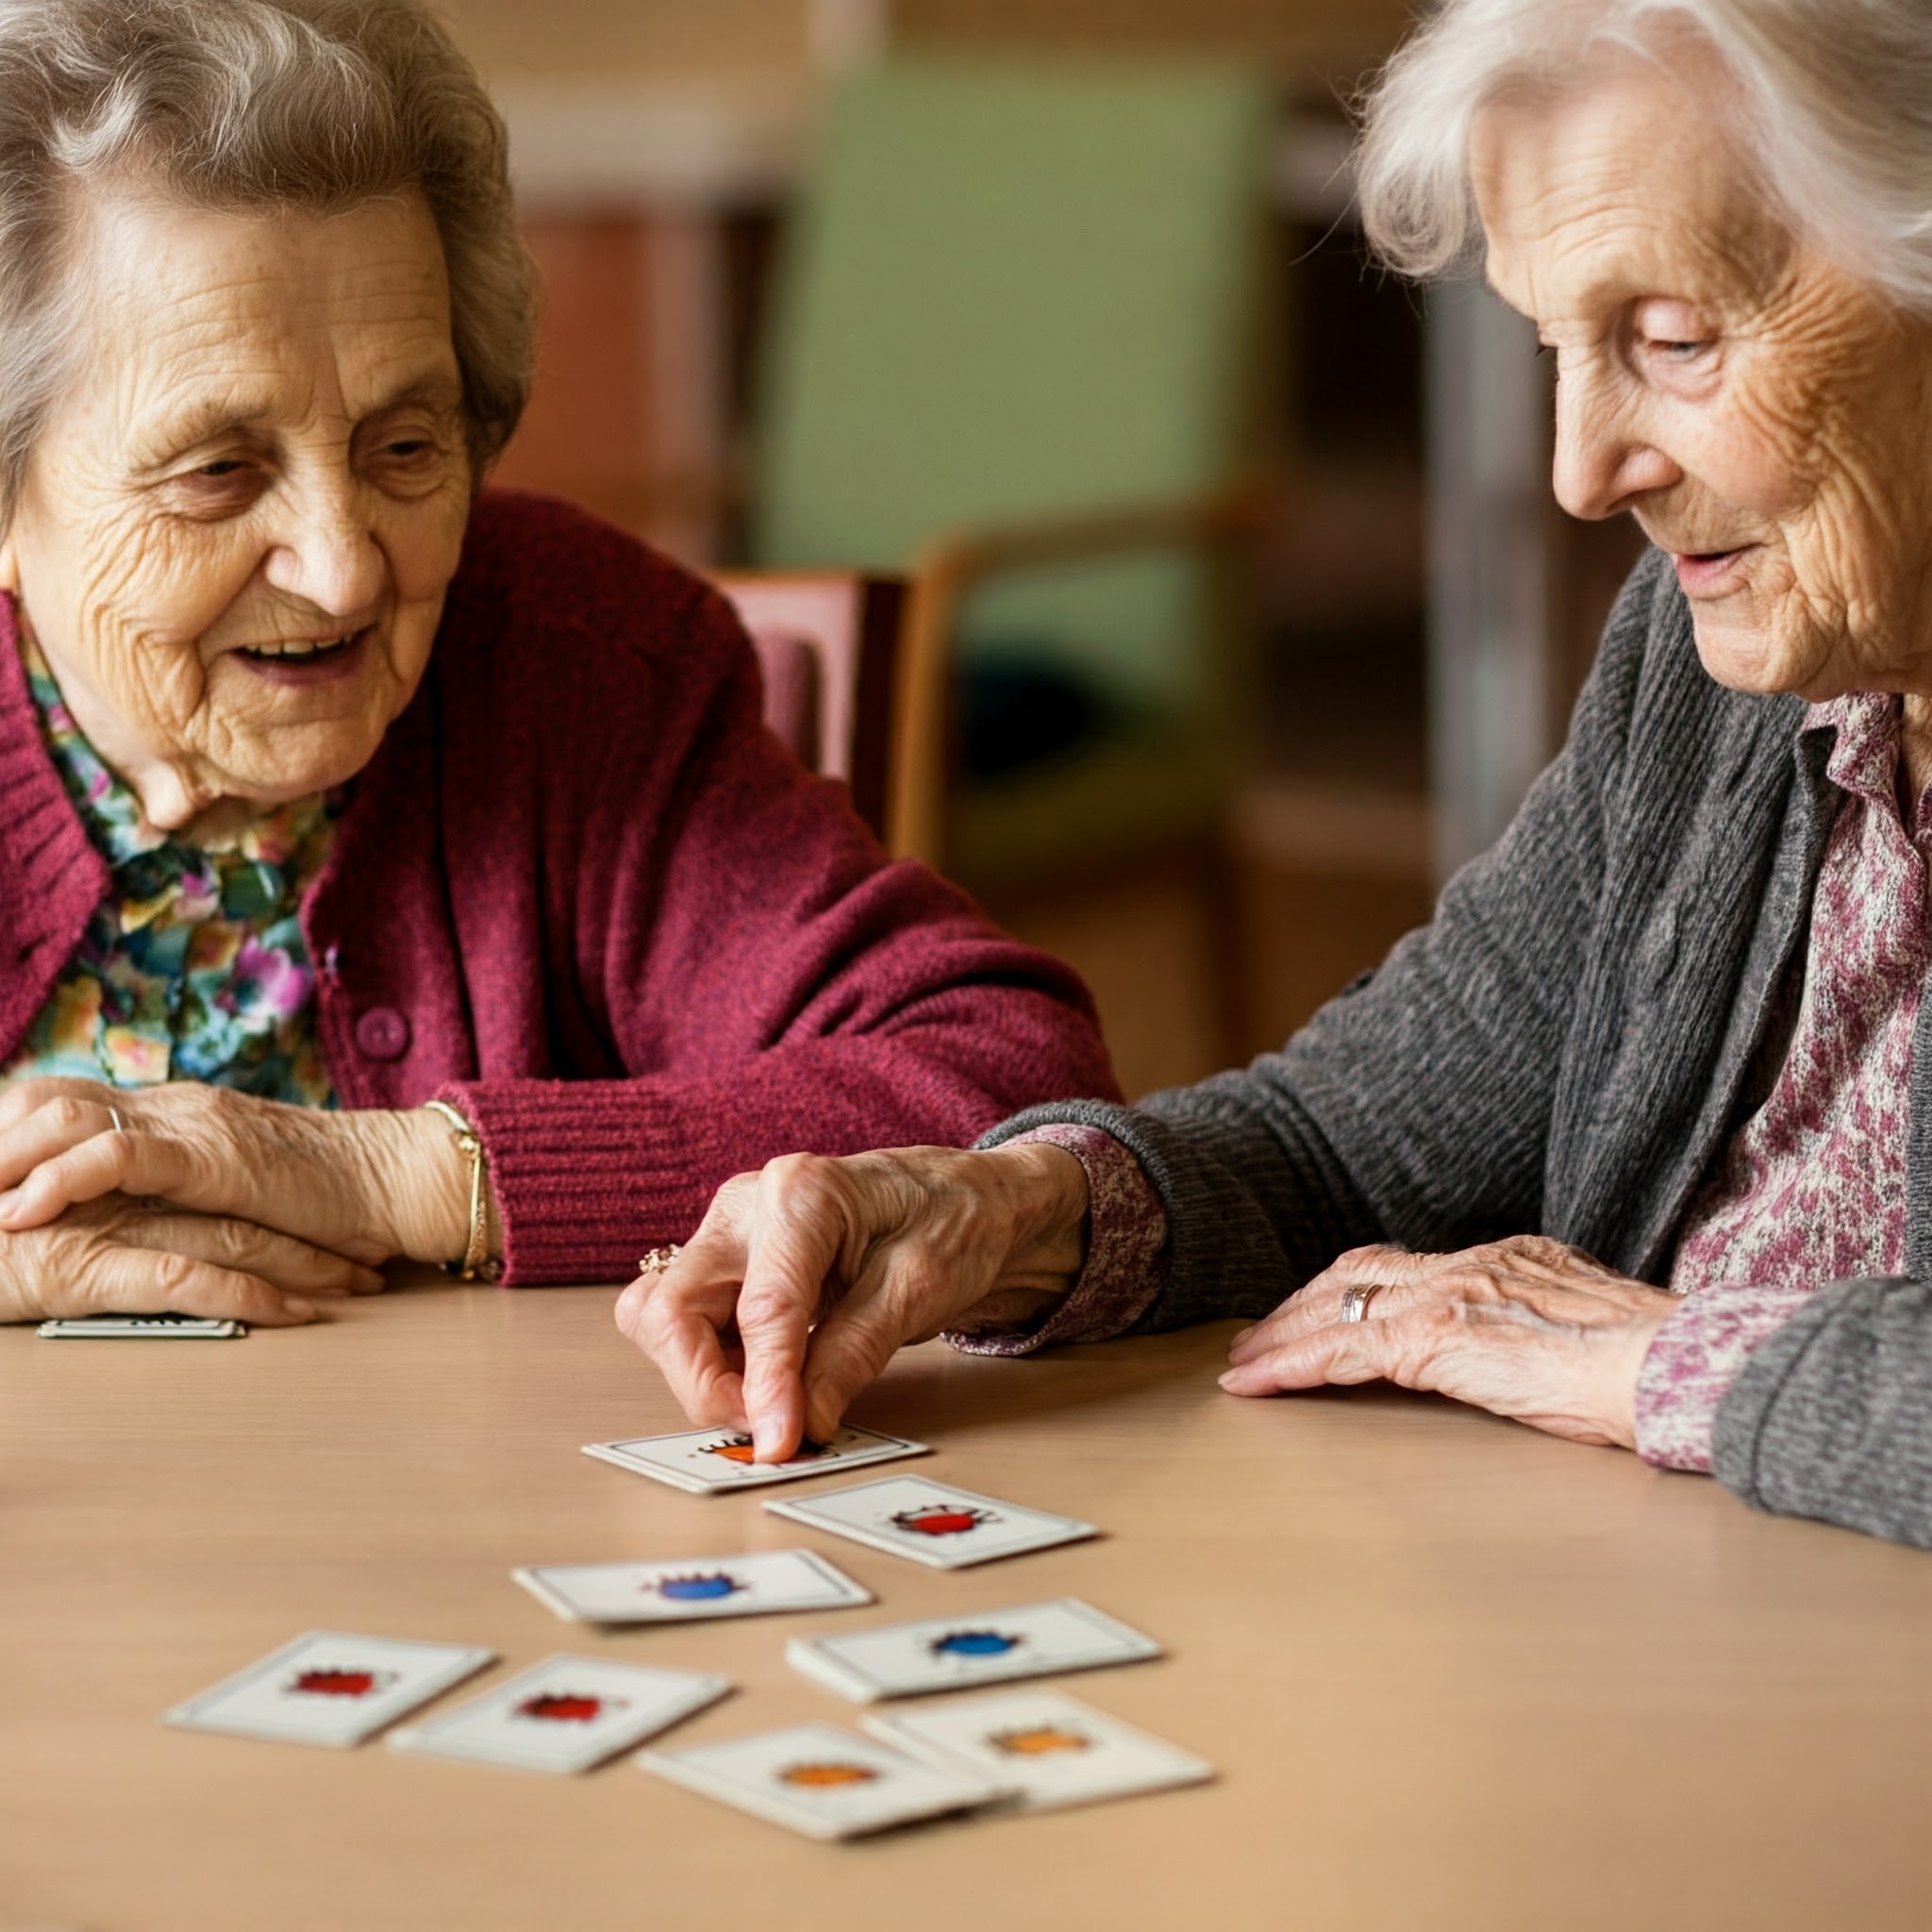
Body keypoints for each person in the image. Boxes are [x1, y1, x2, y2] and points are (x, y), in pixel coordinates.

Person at [617, 0, 1932, 1552]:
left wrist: (1657, 1359)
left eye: (1674, 340)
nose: (1584, 471)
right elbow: (1359, 1133)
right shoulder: (1715, 666)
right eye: (1555, 346)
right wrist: (1006, 1214)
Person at [0, 0, 1116, 1326]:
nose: (346, 567)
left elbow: (1011, 1091)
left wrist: (403, 1172)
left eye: (406, 447)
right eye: (221, 471)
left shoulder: (579, 668)